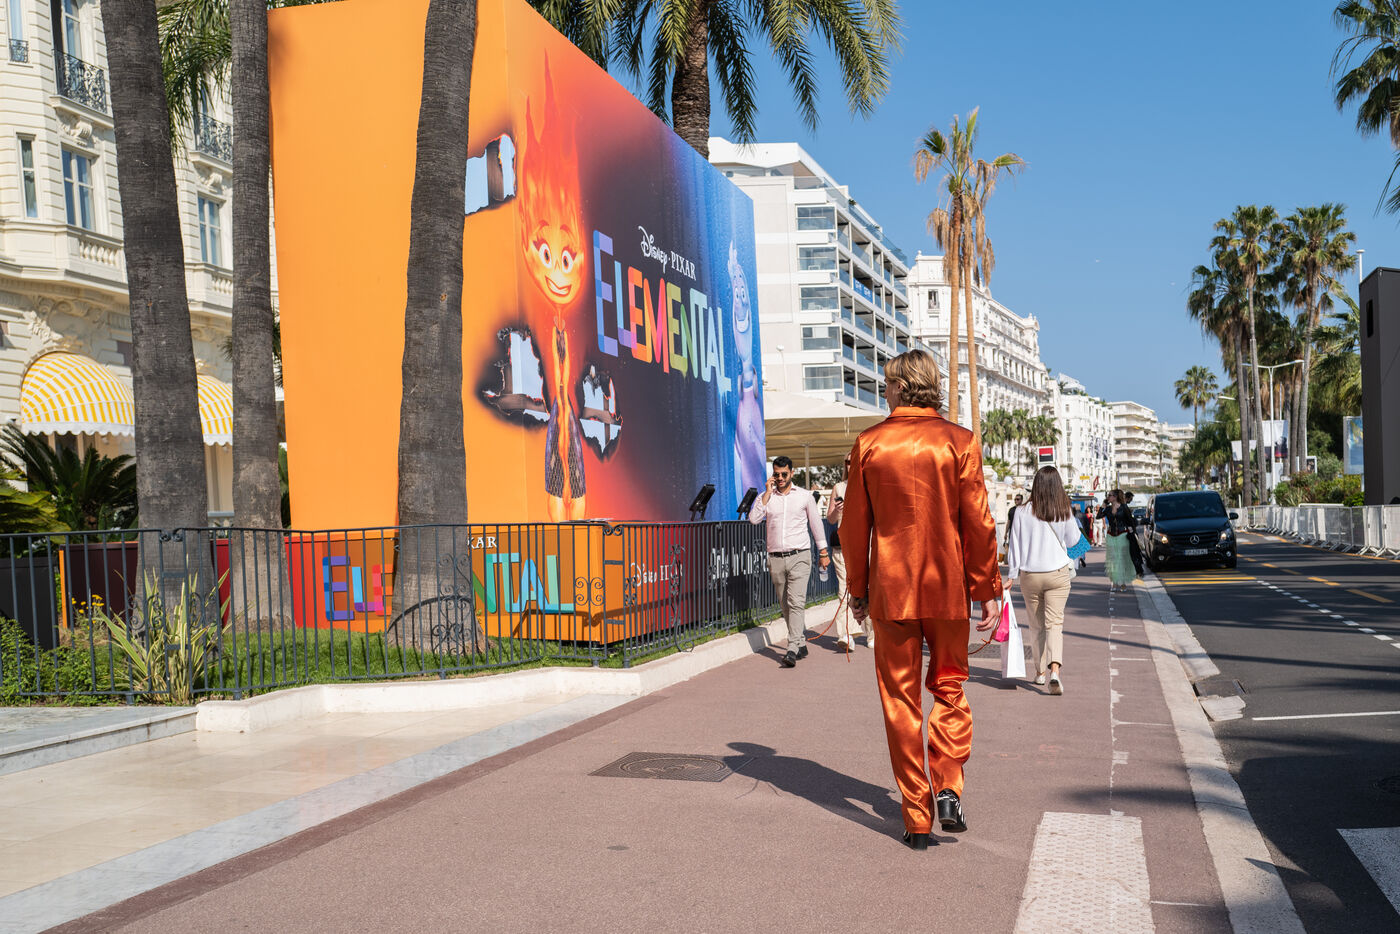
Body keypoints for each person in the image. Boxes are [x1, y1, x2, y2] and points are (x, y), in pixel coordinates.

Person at [841, 350, 1003, 851]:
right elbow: (979, 522)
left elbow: (854, 526)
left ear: (902, 386)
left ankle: (916, 814)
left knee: (900, 700)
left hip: (892, 589)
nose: (884, 390)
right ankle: (948, 786)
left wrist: (858, 588)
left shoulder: (870, 443)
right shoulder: (960, 441)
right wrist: (987, 588)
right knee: (950, 688)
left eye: (888, 383)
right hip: (947, 587)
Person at [748, 455, 830, 668]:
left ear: (792, 473)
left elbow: (816, 524)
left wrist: (823, 552)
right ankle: (801, 642)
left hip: (800, 555)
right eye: (777, 474)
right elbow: (754, 519)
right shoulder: (766, 497)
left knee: (796, 602)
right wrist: (767, 493)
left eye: (784, 474)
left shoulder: (804, 496)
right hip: (775, 558)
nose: (781, 478)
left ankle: (792, 648)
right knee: (785, 604)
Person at [1006, 467, 1081, 695]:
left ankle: (1039, 672)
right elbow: (1074, 540)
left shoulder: (1021, 511)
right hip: (1057, 573)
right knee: (1055, 624)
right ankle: (1055, 672)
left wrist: (1011, 575)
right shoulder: (1063, 510)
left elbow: (1014, 545)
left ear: (1036, 485)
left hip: (1030, 575)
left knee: (1036, 625)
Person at [826, 453, 872, 650]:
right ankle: (846, 633)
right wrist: (838, 510)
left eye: (854, 461)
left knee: (870, 588)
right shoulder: (839, 487)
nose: (850, 465)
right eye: (847, 462)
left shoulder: (871, 485)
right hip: (844, 547)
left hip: (869, 545)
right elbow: (830, 518)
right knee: (844, 589)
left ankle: (872, 633)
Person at [1098, 490, 1138, 592]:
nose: (1108, 497)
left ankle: (1123, 583)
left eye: (1110, 495)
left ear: (1115, 497)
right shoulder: (1107, 509)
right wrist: (1103, 505)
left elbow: (1130, 520)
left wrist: (1134, 532)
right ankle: (1114, 582)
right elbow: (1098, 516)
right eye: (1108, 495)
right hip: (1111, 536)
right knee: (1113, 560)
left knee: (1122, 558)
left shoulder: (1123, 507)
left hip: (1122, 535)